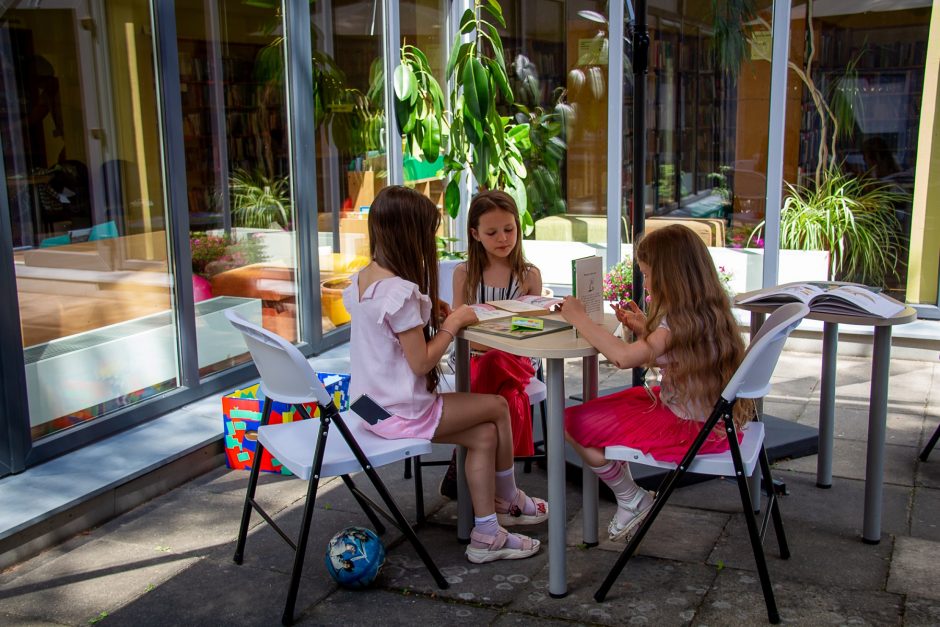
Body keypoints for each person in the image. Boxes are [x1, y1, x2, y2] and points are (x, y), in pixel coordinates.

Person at [342, 185, 548, 564]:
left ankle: (486, 533)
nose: (431, 242)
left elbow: (387, 333)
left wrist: (430, 313)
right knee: (498, 406)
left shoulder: (361, 280)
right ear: (410, 235)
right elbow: (421, 363)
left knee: (484, 434)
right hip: (399, 412)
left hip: (367, 405)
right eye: (428, 233)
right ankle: (509, 499)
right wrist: (452, 322)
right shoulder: (400, 292)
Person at [558, 224, 754, 542]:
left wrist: (579, 318)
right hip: (713, 420)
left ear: (670, 277)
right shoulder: (707, 312)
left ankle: (630, 496)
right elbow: (672, 349)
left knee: (569, 421)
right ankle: (630, 494)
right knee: (602, 414)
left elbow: (622, 358)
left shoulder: (674, 324)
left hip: (687, 428)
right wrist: (645, 326)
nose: (645, 282)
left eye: (648, 275)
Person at [439, 190, 544, 497]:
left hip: (518, 359)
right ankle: (503, 490)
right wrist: (495, 338)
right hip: (471, 356)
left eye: (509, 229)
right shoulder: (465, 274)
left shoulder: (527, 275)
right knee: (507, 396)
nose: (502, 238)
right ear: (475, 234)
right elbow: (459, 327)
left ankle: (464, 459)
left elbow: (532, 327)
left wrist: (499, 337)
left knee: (497, 361)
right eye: (492, 232)